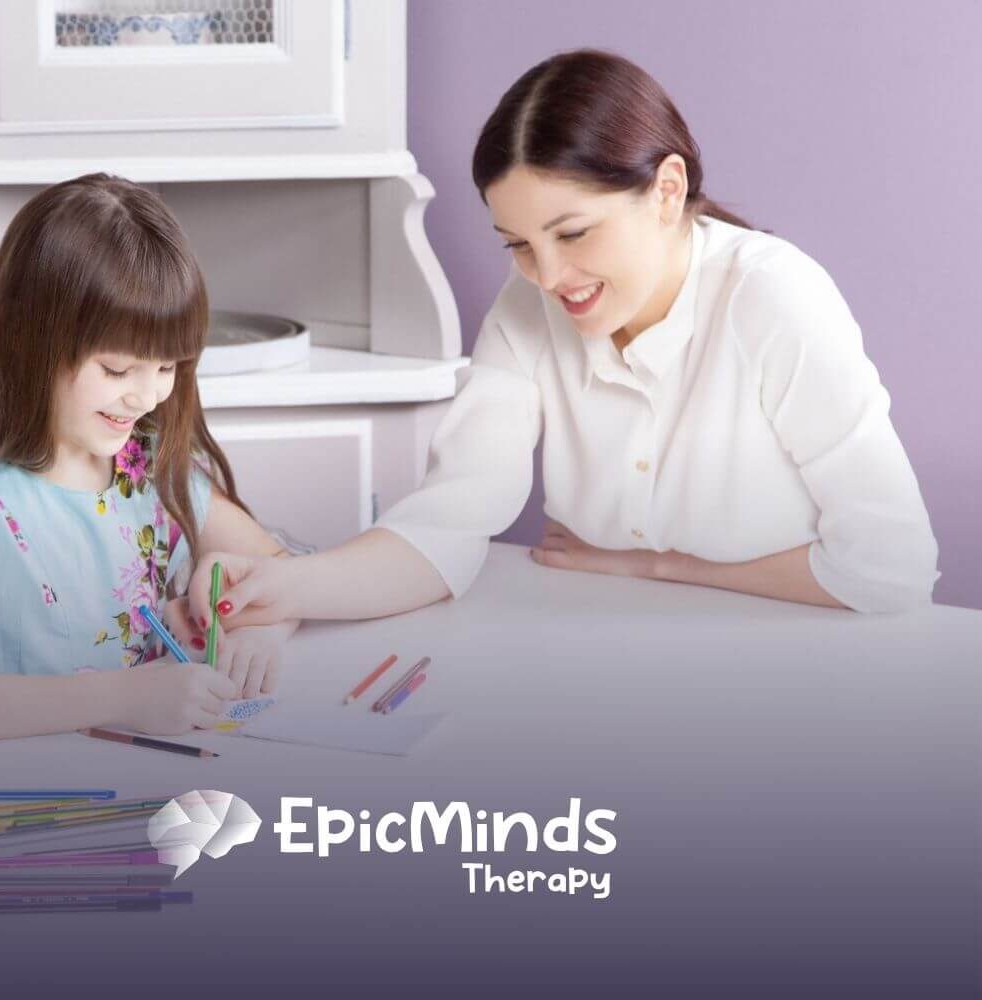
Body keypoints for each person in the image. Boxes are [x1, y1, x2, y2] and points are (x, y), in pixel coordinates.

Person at [187, 49, 938, 628]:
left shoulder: (774, 297)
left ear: (667, 191)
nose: (548, 275)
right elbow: (450, 521)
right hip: (597, 645)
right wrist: (287, 586)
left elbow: (892, 571)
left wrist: (656, 567)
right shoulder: (528, 309)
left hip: (798, 659)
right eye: (516, 243)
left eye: (573, 233)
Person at [0, 174, 293, 747]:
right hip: (3, 812)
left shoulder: (151, 471)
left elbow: (282, 573)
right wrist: (126, 696)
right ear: (29, 341)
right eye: (116, 370)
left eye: (168, 368)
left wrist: (253, 631)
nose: (146, 397)